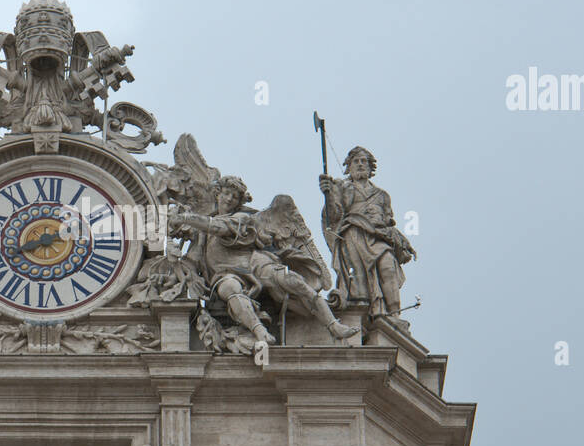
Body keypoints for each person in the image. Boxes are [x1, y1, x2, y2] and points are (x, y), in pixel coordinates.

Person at [171, 177, 358, 345]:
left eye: (235, 197)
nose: (229, 199)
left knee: (292, 281)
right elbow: (191, 260)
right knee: (229, 289)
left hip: (254, 263)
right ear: (217, 193)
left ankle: (333, 325)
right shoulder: (200, 235)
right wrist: (177, 264)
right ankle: (260, 333)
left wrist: (185, 217)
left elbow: (219, 227)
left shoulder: (241, 218)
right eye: (226, 193)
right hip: (224, 274)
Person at [319, 146, 416, 326]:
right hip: (353, 236)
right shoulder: (342, 187)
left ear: (371, 168)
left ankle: (393, 315)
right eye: (356, 161)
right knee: (357, 280)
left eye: (364, 161)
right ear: (348, 167)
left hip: (379, 238)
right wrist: (328, 194)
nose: (360, 164)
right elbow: (334, 216)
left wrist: (403, 241)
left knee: (388, 267)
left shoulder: (382, 195)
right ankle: (361, 321)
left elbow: (389, 223)